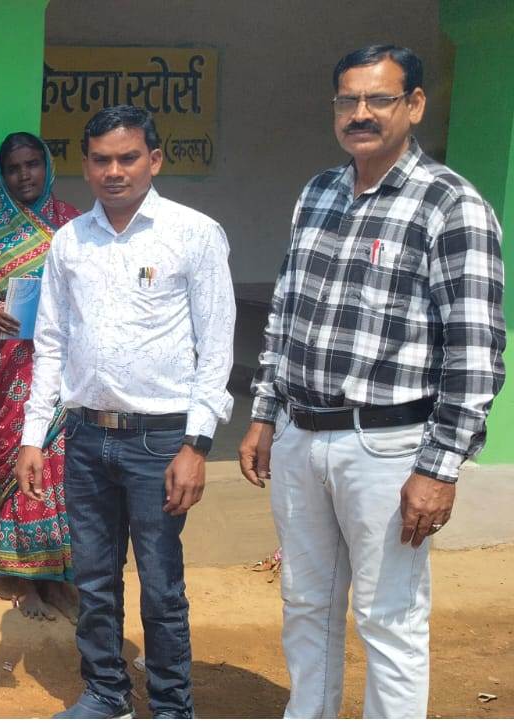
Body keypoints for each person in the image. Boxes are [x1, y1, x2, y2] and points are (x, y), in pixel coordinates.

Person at [238, 45, 506, 718]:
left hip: (387, 447)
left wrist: (439, 468)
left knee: (388, 617)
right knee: (306, 602)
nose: (360, 113)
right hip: (300, 433)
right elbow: (286, 312)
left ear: (414, 105)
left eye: (378, 99)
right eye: (348, 100)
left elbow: (475, 351)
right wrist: (265, 412)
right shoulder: (319, 192)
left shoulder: (451, 205)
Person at [15, 105, 235, 719]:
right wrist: (34, 435)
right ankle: (107, 693)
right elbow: (51, 342)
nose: (114, 171)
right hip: (86, 437)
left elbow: (216, 347)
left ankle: (170, 706)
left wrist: (197, 444)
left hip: (160, 442)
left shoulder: (193, 233)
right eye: (101, 160)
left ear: (154, 160)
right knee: (93, 580)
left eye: (128, 158)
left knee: (161, 586)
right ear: (85, 165)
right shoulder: (69, 241)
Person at [0, 132, 83, 622]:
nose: (24, 175)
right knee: (21, 459)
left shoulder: (73, 224)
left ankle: (61, 578)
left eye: (32, 164)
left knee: (66, 466)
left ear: (47, 167)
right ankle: (25, 579)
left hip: (68, 364)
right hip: (13, 362)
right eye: (13, 168)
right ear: (2, 174)